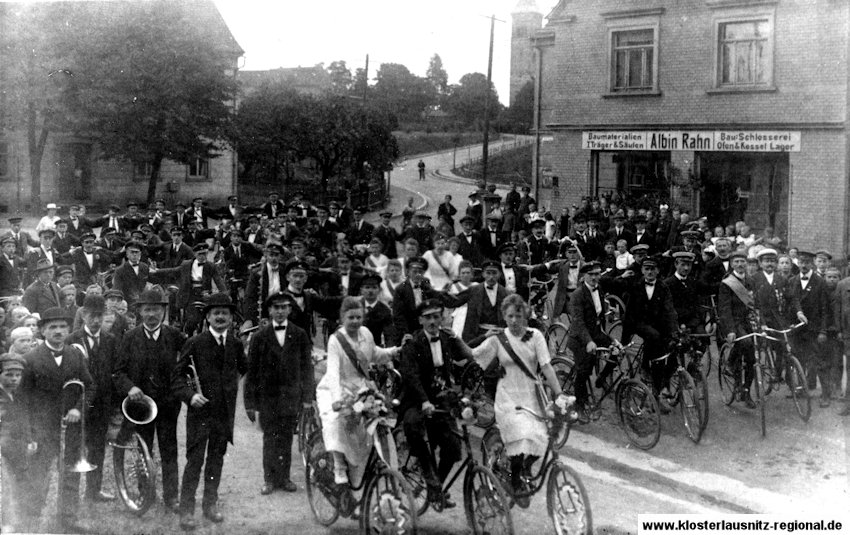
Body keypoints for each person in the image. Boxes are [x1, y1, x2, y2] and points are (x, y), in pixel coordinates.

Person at [471, 294, 567, 505]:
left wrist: (559, 394)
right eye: (510, 316)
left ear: (525, 315)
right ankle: (515, 481)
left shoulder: (536, 336)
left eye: (518, 315)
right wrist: (461, 339)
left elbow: (546, 367)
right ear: (504, 317)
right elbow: (472, 355)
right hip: (508, 396)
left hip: (532, 394)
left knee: (545, 437)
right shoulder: (498, 339)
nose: (514, 320)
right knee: (522, 432)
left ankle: (523, 467)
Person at [173, 293, 247, 530]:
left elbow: (245, 369)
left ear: (231, 318)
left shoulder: (235, 344)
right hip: (200, 413)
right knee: (194, 461)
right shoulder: (194, 343)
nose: (220, 317)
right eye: (216, 313)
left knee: (216, 461)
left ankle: (209, 504)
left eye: (225, 313)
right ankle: (186, 510)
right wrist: (191, 395)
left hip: (223, 414)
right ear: (207, 317)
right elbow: (176, 378)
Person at [316, 297, 405, 492]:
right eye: (351, 317)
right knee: (339, 419)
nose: (355, 321)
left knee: (376, 419)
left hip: (362, 388)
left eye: (358, 317)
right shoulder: (336, 340)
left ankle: (369, 466)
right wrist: (338, 399)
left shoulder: (365, 333)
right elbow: (332, 371)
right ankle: (339, 465)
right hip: (337, 388)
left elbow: (373, 353)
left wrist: (393, 352)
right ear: (342, 318)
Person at [112, 288, 187, 512]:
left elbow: (187, 367)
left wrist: (182, 391)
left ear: (163, 312)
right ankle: (145, 492)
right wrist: (131, 387)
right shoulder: (129, 337)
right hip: (140, 406)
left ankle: (172, 497)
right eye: (147, 310)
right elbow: (118, 372)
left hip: (167, 405)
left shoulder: (175, 336)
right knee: (143, 450)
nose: (151, 314)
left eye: (156, 309)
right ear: (140, 313)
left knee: (169, 450)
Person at [20, 307, 93, 533]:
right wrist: (29, 433)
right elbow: (22, 400)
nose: (59, 331)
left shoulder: (75, 354)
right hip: (42, 428)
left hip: (70, 426)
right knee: (39, 473)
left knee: (70, 472)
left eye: (62, 327)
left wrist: (78, 409)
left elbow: (89, 386)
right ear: (42, 331)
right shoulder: (30, 360)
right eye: (53, 327)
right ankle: (31, 517)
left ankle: (68, 518)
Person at [399, 299, 471, 508]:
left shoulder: (447, 338)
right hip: (416, 399)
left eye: (436, 316)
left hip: (441, 400)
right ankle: (431, 480)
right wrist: (423, 401)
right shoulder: (412, 343)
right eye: (428, 317)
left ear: (442, 318)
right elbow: (410, 376)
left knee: (453, 447)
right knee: (413, 427)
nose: (432, 321)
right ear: (421, 320)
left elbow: (469, 355)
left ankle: (435, 486)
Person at [244, 292, 313, 495]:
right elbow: (252, 372)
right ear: (270, 311)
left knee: (286, 437)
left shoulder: (299, 335)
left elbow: (306, 368)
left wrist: (307, 398)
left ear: (290, 310)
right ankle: (269, 479)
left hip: (291, 396)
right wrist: (250, 403)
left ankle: (284, 477)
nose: (280, 311)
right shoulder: (259, 337)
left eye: (284, 307)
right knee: (269, 437)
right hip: (268, 397)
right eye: (276, 307)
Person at [66, 294, 117, 502]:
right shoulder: (72, 340)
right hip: (79, 404)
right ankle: (71, 496)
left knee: (97, 449)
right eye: (92, 316)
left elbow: (114, 370)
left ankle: (93, 491)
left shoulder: (111, 340)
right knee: (74, 450)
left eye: (100, 316)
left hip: (102, 404)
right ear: (83, 315)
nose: (96, 321)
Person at [620, 255, 678, 404]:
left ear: (658, 271)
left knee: (667, 346)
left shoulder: (663, 287)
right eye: (647, 269)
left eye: (653, 269)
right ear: (642, 270)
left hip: (656, 324)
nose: (650, 272)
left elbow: (669, 310)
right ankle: (646, 366)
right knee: (654, 337)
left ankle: (658, 389)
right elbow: (629, 311)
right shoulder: (635, 285)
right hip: (637, 322)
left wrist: (673, 330)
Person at [718, 251, 758, 408]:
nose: (740, 264)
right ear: (732, 264)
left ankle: (746, 390)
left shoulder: (751, 280)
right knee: (746, 343)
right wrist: (730, 330)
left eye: (743, 261)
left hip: (749, 320)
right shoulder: (727, 283)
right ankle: (731, 366)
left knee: (752, 358)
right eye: (737, 262)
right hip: (734, 322)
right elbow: (724, 309)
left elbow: (756, 302)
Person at [791, 251, 829, 404]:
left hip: (814, 329)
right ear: (798, 263)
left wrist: (823, 330)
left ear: (812, 262)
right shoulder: (793, 280)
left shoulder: (819, 282)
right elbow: (791, 303)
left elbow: (825, 309)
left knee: (819, 362)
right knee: (799, 360)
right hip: (798, 329)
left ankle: (826, 395)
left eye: (807, 262)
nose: (804, 265)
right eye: (801, 262)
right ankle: (801, 389)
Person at [0, 353, 32, 534]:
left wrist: (29, 440)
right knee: (5, 489)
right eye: (8, 374)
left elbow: (24, 418)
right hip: (4, 453)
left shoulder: (17, 396)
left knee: (17, 489)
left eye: (17, 375)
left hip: (17, 451)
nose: (14, 379)